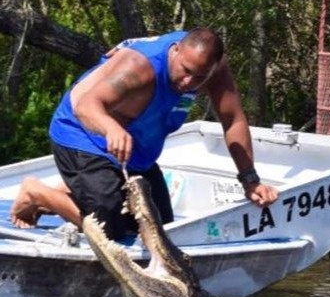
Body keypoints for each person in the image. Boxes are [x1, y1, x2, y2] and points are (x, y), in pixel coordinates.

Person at [10, 27, 279, 240]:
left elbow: (232, 120)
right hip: (82, 132)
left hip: (135, 147)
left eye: (199, 78)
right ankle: (36, 193)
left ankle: (73, 191)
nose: (188, 83)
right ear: (175, 51)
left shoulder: (211, 67)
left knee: (160, 230)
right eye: (185, 71)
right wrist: (111, 127)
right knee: (108, 229)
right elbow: (86, 106)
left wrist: (250, 180)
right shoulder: (140, 67)